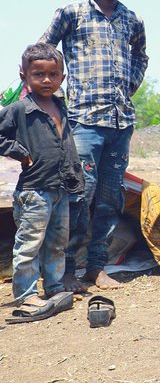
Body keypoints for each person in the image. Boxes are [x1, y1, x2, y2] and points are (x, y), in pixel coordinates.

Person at [40, 0, 148, 292]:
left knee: (109, 200)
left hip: (120, 124)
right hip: (84, 122)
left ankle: (96, 269)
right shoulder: (72, 13)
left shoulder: (132, 20)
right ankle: (67, 269)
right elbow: (41, 52)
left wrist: (128, 87)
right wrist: (54, 99)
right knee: (77, 198)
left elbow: (141, 56)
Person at [0, 44, 82, 322]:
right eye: (38, 74)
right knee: (29, 244)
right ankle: (25, 295)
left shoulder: (60, 105)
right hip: (34, 190)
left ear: (62, 77)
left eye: (53, 74)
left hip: (60, 187)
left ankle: (55, 286)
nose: (47, 80)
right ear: (24, 76)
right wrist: (19, 152)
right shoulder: (20, 109)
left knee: (57, 242)